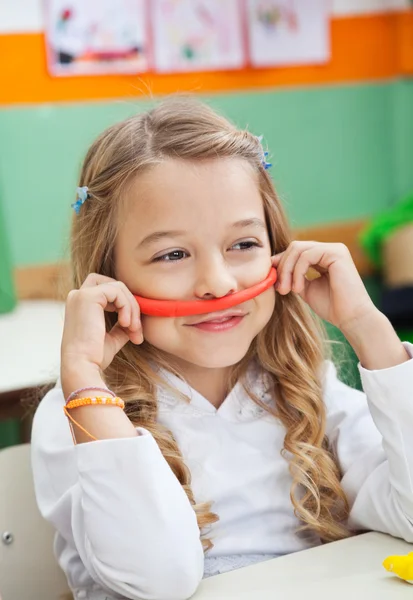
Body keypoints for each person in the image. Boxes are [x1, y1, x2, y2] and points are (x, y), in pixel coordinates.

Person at [31, 97, 413, 600]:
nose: (217, 283)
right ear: (110, 276)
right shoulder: (77, 411)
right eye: (172, 254)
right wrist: (83, 376)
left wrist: (368, 327)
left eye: (243, 245)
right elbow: (157, 581)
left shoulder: (305, 383)